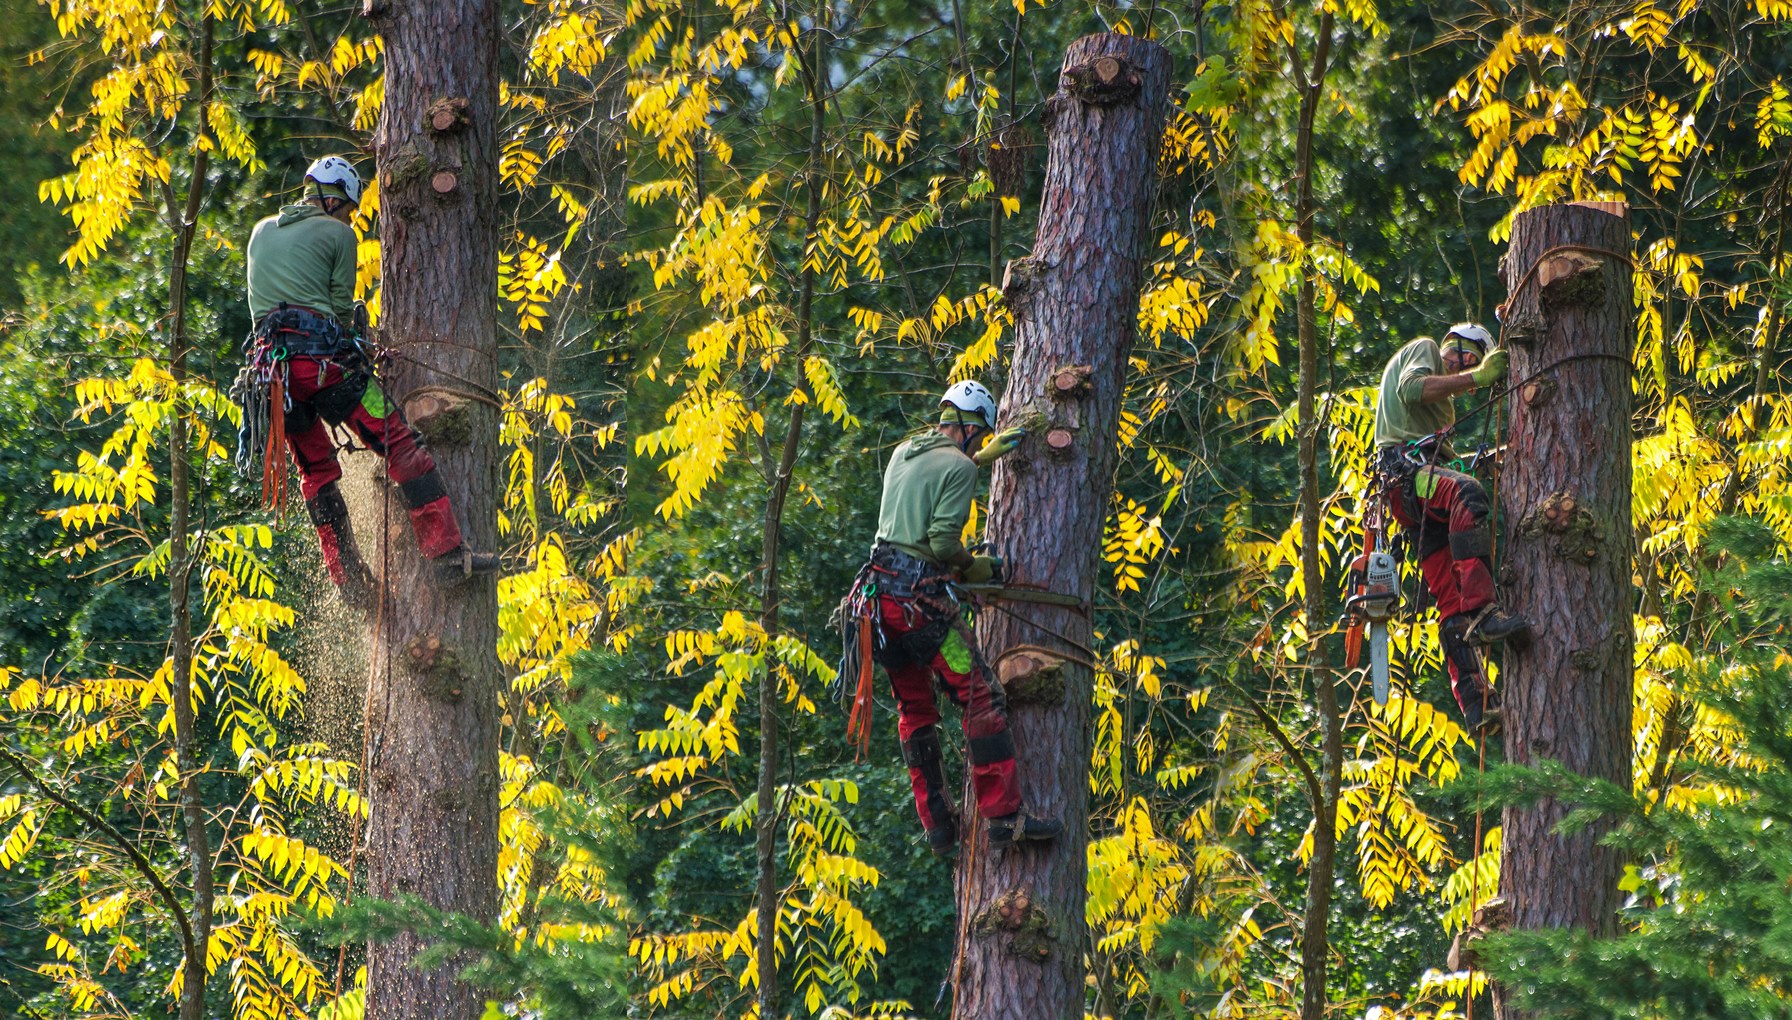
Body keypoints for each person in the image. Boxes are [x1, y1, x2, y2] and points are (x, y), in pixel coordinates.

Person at [243, 155, 495, 605]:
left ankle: (349, 583)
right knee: (400, 444)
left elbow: (263, 313)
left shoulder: (260, 232)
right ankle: (447, 557)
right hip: (323, 371)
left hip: (275, 382)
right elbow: (340, 314)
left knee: (316, 472)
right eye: (348, 209)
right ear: (334, 199)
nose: (348, 218)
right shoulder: (339, 234)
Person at [864, 381, 1061, 854]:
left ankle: (939, 826)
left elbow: (935, 477)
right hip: (922, 613)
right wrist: (978, 568)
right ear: (973, 430)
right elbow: (942, 546)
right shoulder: (958, 467)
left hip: (879, 610)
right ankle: (1004, 818)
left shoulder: (904, 452)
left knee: (915, 710)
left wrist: (979, 459)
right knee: (981, 696)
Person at [1373, 323, 1530, 733]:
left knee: (1448, 598)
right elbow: (1411, 389)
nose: (1471, 371)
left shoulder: (1442, 408)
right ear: (1456, 347)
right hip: (1406, 475)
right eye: (1471, 358)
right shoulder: (1424, 349)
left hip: (1416, 493)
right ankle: (1484, 610)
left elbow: (1442, 458)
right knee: (1467, 496)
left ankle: (1477, 704)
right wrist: (1476, 377)